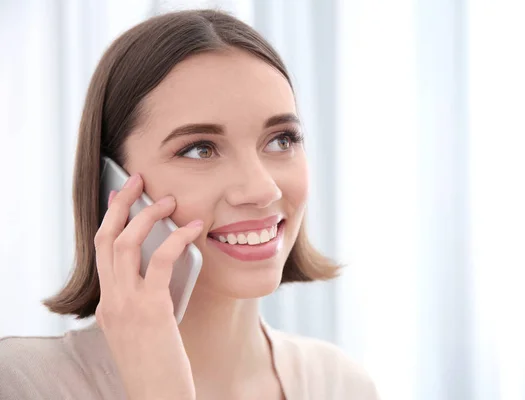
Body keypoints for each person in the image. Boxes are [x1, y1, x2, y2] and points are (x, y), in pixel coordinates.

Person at [0, 9, 379, 400]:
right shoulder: (22, 384)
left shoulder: (342, 384)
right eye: (201, 149)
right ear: (112, 186)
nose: (262, 189)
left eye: (281, 140)